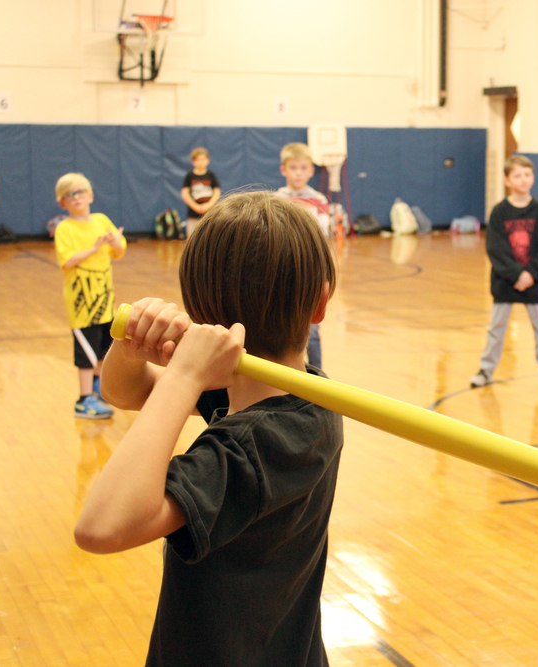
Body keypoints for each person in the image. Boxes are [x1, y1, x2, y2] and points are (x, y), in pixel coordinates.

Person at [74, 192, 341, 667]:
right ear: (321, 304)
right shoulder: (301, 398)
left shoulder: (257, 443)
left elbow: (100, 527)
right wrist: (133, 348)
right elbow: (125, 392)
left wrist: (183, 376)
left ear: (199, 313)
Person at [470, 154, 538, 389]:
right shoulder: (499, 212)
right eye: (517, 175)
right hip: (506, 282)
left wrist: (531, 274)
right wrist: (516, 274)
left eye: (527, 175)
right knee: (496, 329)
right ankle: (486, 370)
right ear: (507, 180)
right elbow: (496, 249)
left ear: (532, 178)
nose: (523, 180)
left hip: (533, 283)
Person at [54, 173, 126, 419]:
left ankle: (97, 388)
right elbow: (67, 261)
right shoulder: (64, 228)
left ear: (91, 196)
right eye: (69, 195)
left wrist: (115, 241)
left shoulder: (101, 220)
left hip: (105, 300)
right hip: (82, 304)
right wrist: (94, 248)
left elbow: (119, 251)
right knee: (86, 353)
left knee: (104, 348)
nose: (76, 197)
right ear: (63, 202)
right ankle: (83, 400)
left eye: (80, 192)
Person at [275, 142, 331, 369]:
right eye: (293, 168)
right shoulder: (275, 199)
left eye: (303, 168)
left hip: (310, 272)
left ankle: (318, 376)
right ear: (284, 170)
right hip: (281, 271)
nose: (298, 173)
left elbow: (322, 236)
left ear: (311, 170)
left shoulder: (319, 200)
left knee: (312, 330)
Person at [181, 147, 221, 238]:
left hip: (209, 214)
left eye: (203, 159)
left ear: (208, 160)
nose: (200, 162)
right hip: (193, 215)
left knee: (209, 237)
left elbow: (216, 192)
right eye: (197, 160)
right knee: (192, 238)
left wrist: (208, 205)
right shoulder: (189, 176)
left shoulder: (211, 175)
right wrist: (196, 206)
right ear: (193, 162)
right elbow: (185, 193)